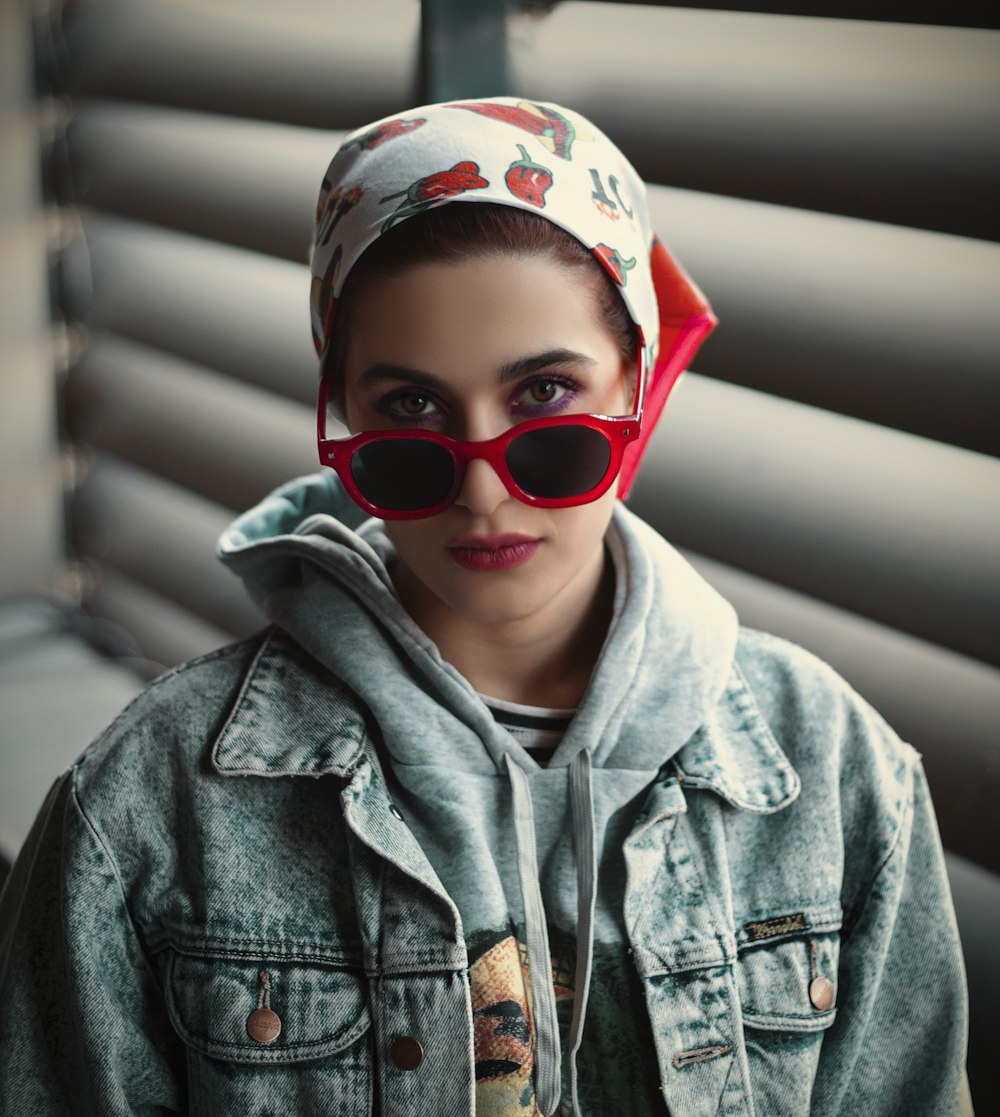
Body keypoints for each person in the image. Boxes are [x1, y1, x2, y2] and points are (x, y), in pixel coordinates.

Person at [0, 98, 971, 1116]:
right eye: (411, 410)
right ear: (343, 416)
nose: (480, 487)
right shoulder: (149, 802)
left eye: (545, 396)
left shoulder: (834, 771)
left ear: (637, 383)